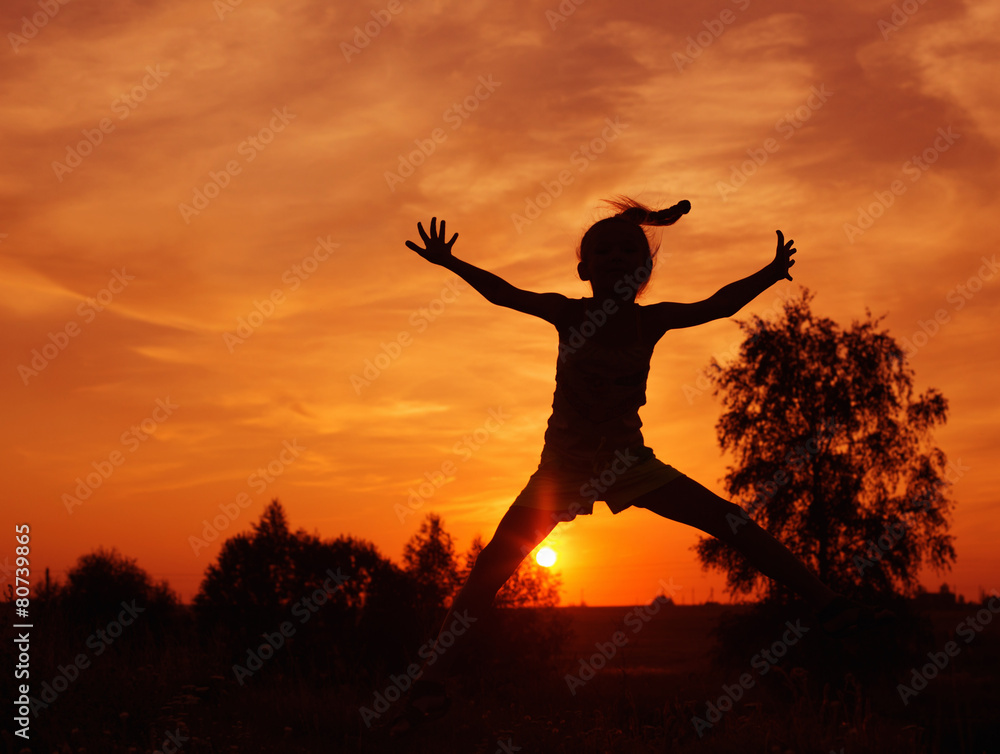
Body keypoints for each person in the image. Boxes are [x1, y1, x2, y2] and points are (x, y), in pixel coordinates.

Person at [391, 198, 883, 734]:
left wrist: (768, 273)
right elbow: (506, 294)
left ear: (645, 269)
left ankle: (829, 602)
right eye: (603, 249)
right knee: (491, 570)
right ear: (585, 269)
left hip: (631, 463)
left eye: (629, 249)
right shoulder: (568, 311)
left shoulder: (656, 320)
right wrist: (453, 263)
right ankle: (432, 683)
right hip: (562, 470)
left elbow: (716, 306)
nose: (617, 256)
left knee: (730, 521)